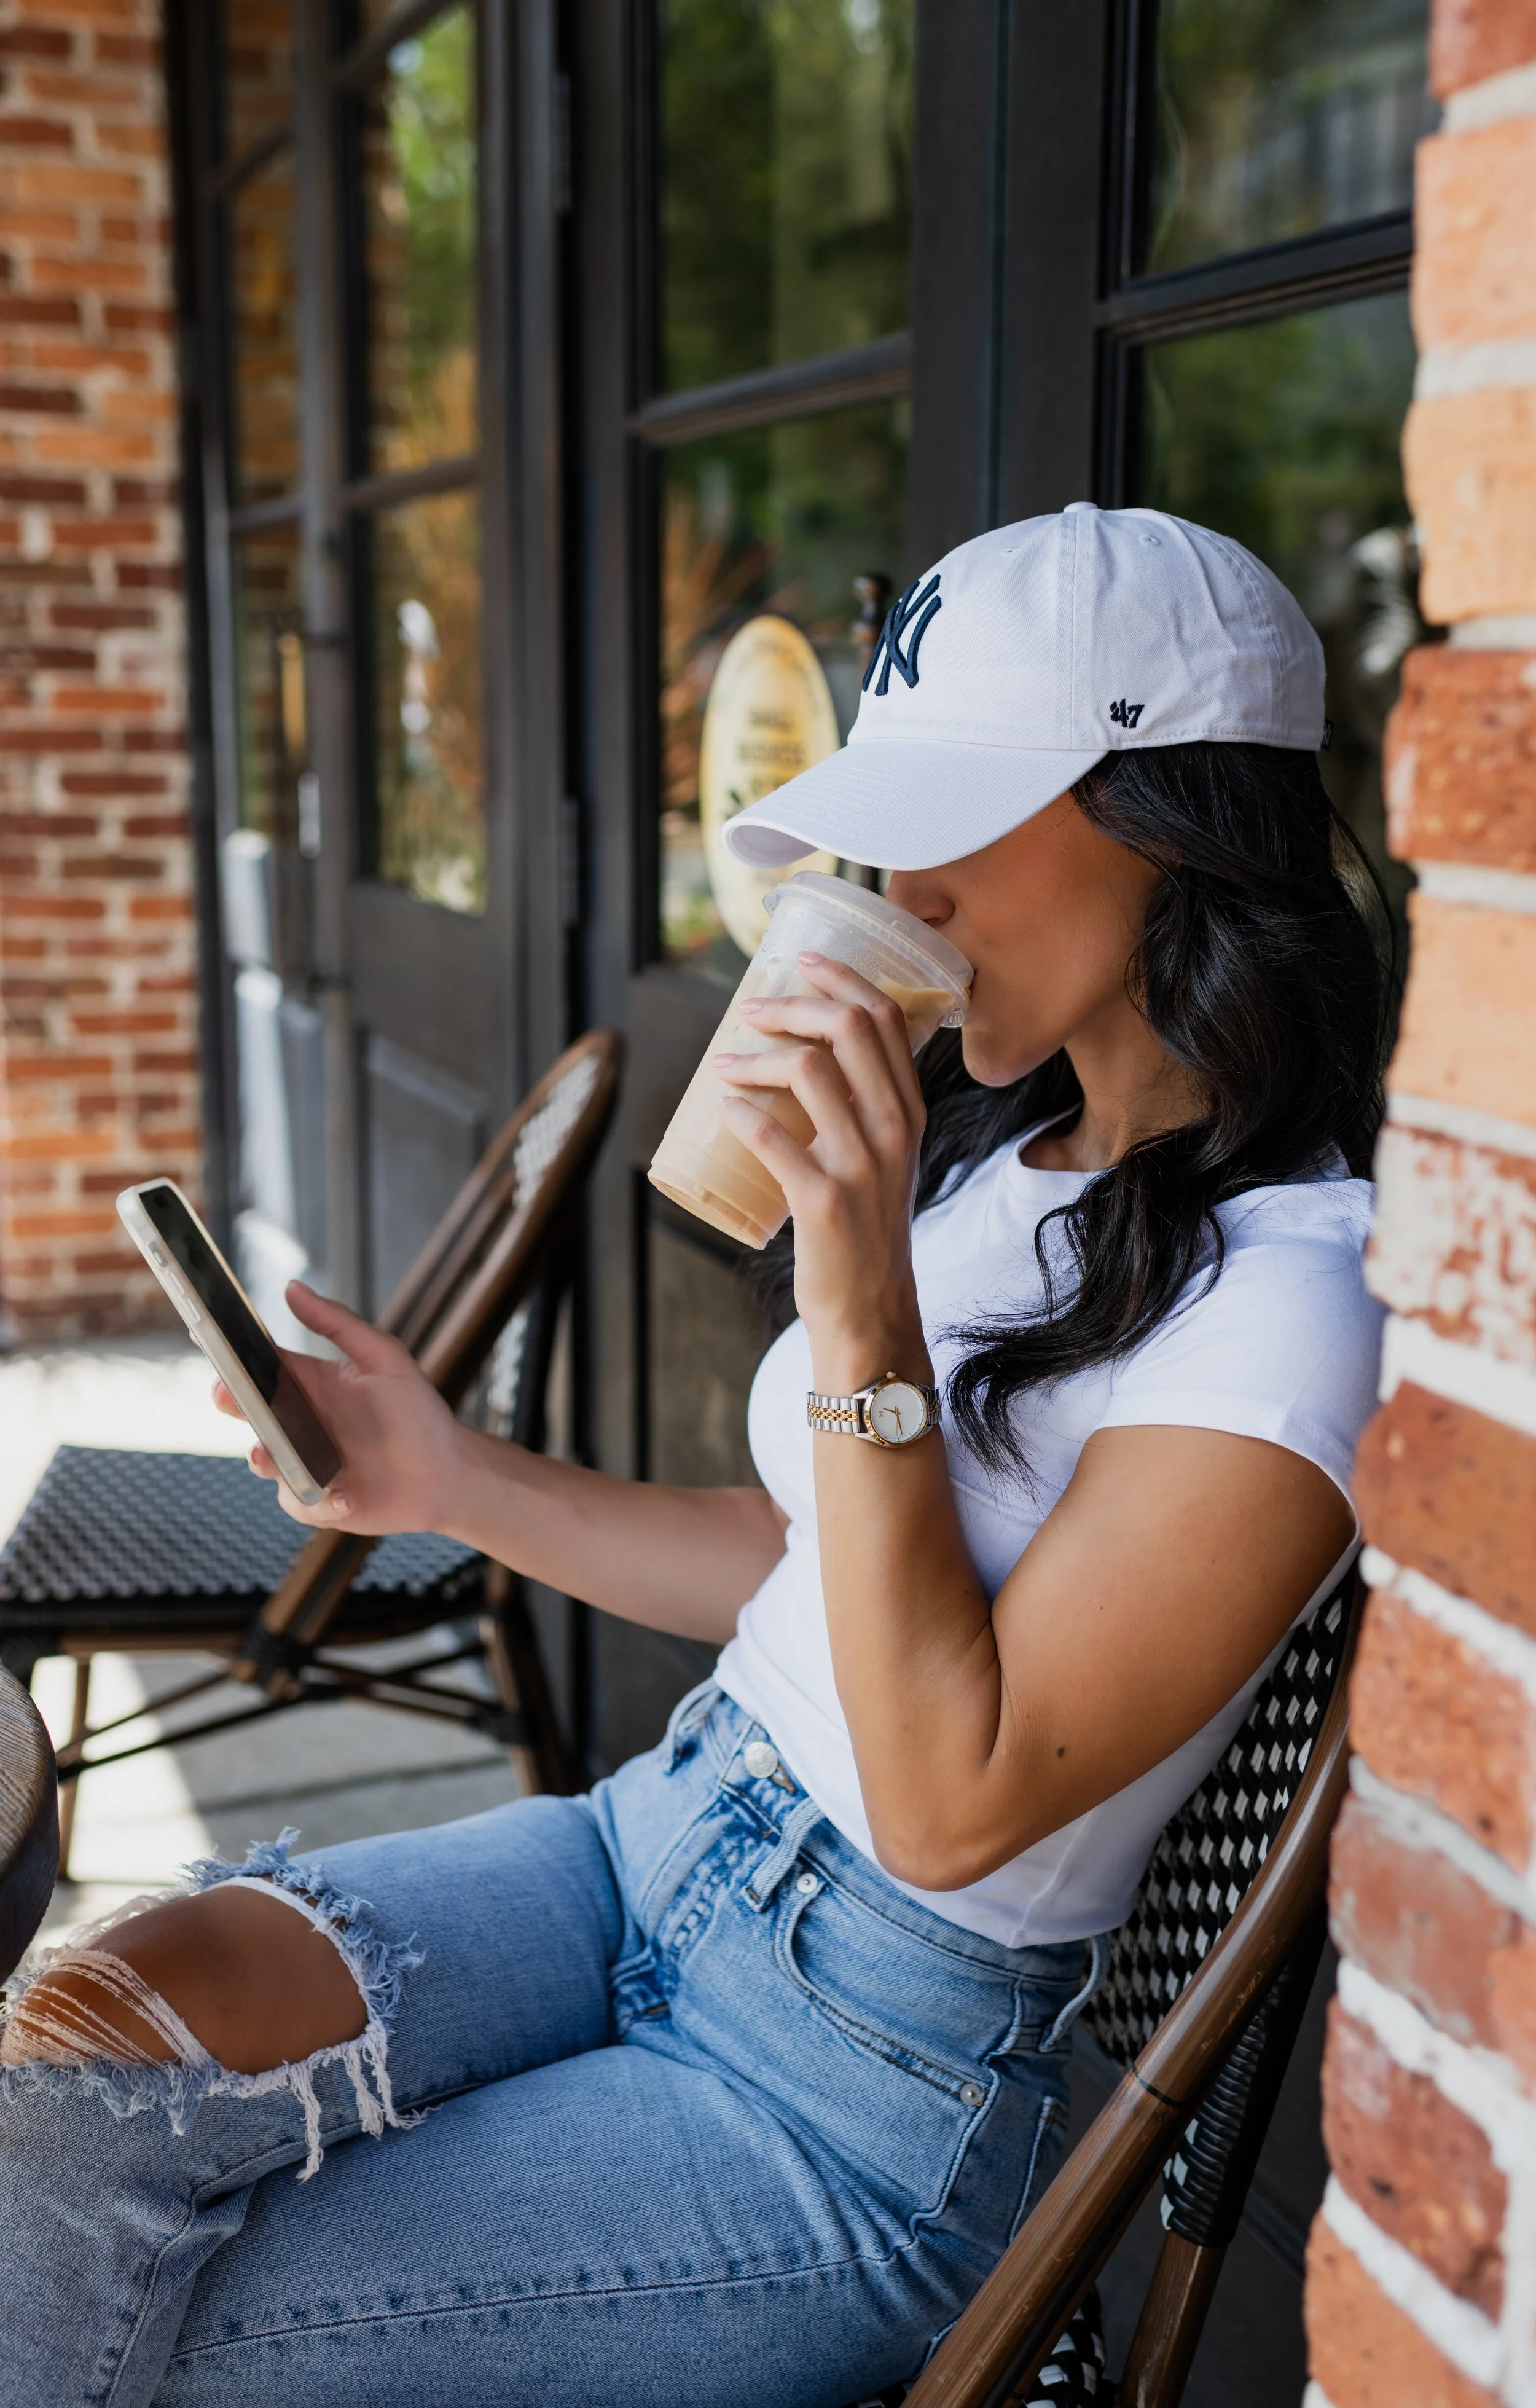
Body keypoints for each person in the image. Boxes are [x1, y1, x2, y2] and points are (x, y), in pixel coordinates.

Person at [0, 506, 1388, 2408]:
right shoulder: (1013, 1145)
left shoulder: (1297, 1306)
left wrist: (862, 1300)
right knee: (55, 2084)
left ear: (1166, 820)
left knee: (158, 2334)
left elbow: (954, 1798)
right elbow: (801, 1564)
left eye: (951, 810)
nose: (898, 880)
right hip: (653, 1837)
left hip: (848, 2100)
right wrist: (448, 1477)